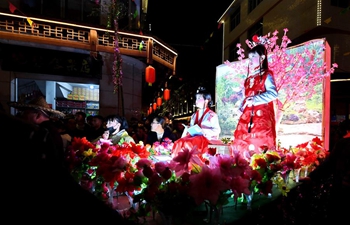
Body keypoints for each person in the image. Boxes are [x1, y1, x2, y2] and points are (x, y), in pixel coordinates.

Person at [231, 43, 278, 158]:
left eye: (253, 56)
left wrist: (255, 99)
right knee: (243, 143)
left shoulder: (267, 75)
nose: (250, 60)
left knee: (260, 143)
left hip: (261, 117)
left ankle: (260, 169)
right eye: (249, 57)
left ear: (262, 58)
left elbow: (273, 94)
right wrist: (241, 108)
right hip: (247, 116)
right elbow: (246, 97)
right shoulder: (249, 78)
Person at [8, 95, 66, 167]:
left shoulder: (41, 132)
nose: (23, 116)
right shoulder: (50, 130)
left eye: (26, 113)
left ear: (37, 115)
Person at [171, 87, 221, 157]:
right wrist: (188, 128)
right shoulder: (194, 115)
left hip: (206, 140)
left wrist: (203, 131)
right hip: (194, 138)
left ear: (206, 101)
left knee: (188, 143)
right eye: (196, 98)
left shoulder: (212, 115)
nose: (196, 101)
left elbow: (217, 130)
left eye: (199, 98)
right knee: (179, 142)